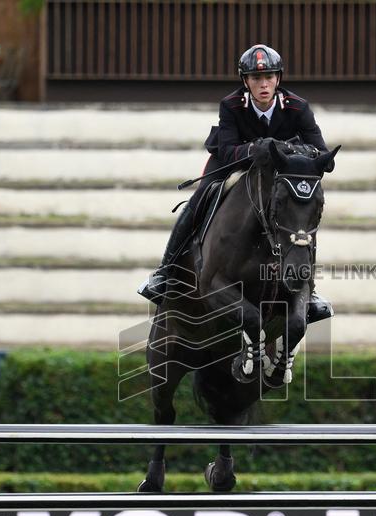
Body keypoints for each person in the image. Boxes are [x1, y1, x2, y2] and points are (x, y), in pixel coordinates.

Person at [138, 44, 333, 323]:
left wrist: (290, 150)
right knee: (200, 197)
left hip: (278, 171)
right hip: (232, 164)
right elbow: (227, 150)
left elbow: (321, 152)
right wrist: (255, 149)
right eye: (256, 78)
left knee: (300, 210)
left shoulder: (297, 106)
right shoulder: (231, 105)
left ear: (278, 79)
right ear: (246, 81)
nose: (263, 85)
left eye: (269, 77)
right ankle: (165, 272)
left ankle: (309, 291)